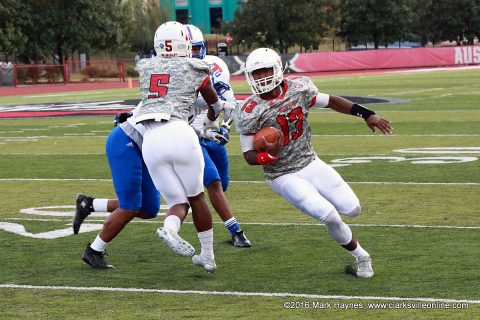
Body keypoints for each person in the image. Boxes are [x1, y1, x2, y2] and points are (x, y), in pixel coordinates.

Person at [233, 48, 393, 278]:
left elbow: (332, 101)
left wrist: (366, 113)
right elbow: (248, 156)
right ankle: (361, 256)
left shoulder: (299, 88)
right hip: (282, 175)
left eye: (265, 70)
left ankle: (347, 234)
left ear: (278, 68)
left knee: (353, 209)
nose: (261, 77)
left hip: (310, 162)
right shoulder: (249, 109)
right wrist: (270, 154)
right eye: (256, 73)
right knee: (329, 215)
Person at [133, 21, 227, 273]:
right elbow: (214, 103)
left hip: (150, 141)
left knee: (178, 202)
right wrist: (211, 119)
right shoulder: (195, 66)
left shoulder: (145, 66)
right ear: (184, 43)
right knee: (196, 197)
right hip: (178, 132)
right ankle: (207, 255)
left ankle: (171, 229)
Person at [186, 24, 251, 247]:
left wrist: (225, 127)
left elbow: (230, 102)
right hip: (189, 135)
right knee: (212, 182)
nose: (192, 54)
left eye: (195, 49)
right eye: (188, 49)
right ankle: (236, 232)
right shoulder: (177, 74)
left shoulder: (214, 66)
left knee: (222, 185)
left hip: (212, 133)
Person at [74, 104, 161, 269]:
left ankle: (89, 204)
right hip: (127, 141)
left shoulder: (195, 100)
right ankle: (94, 251)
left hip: (146, 147)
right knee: (130, 206)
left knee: (149, 208)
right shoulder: (184, 91)